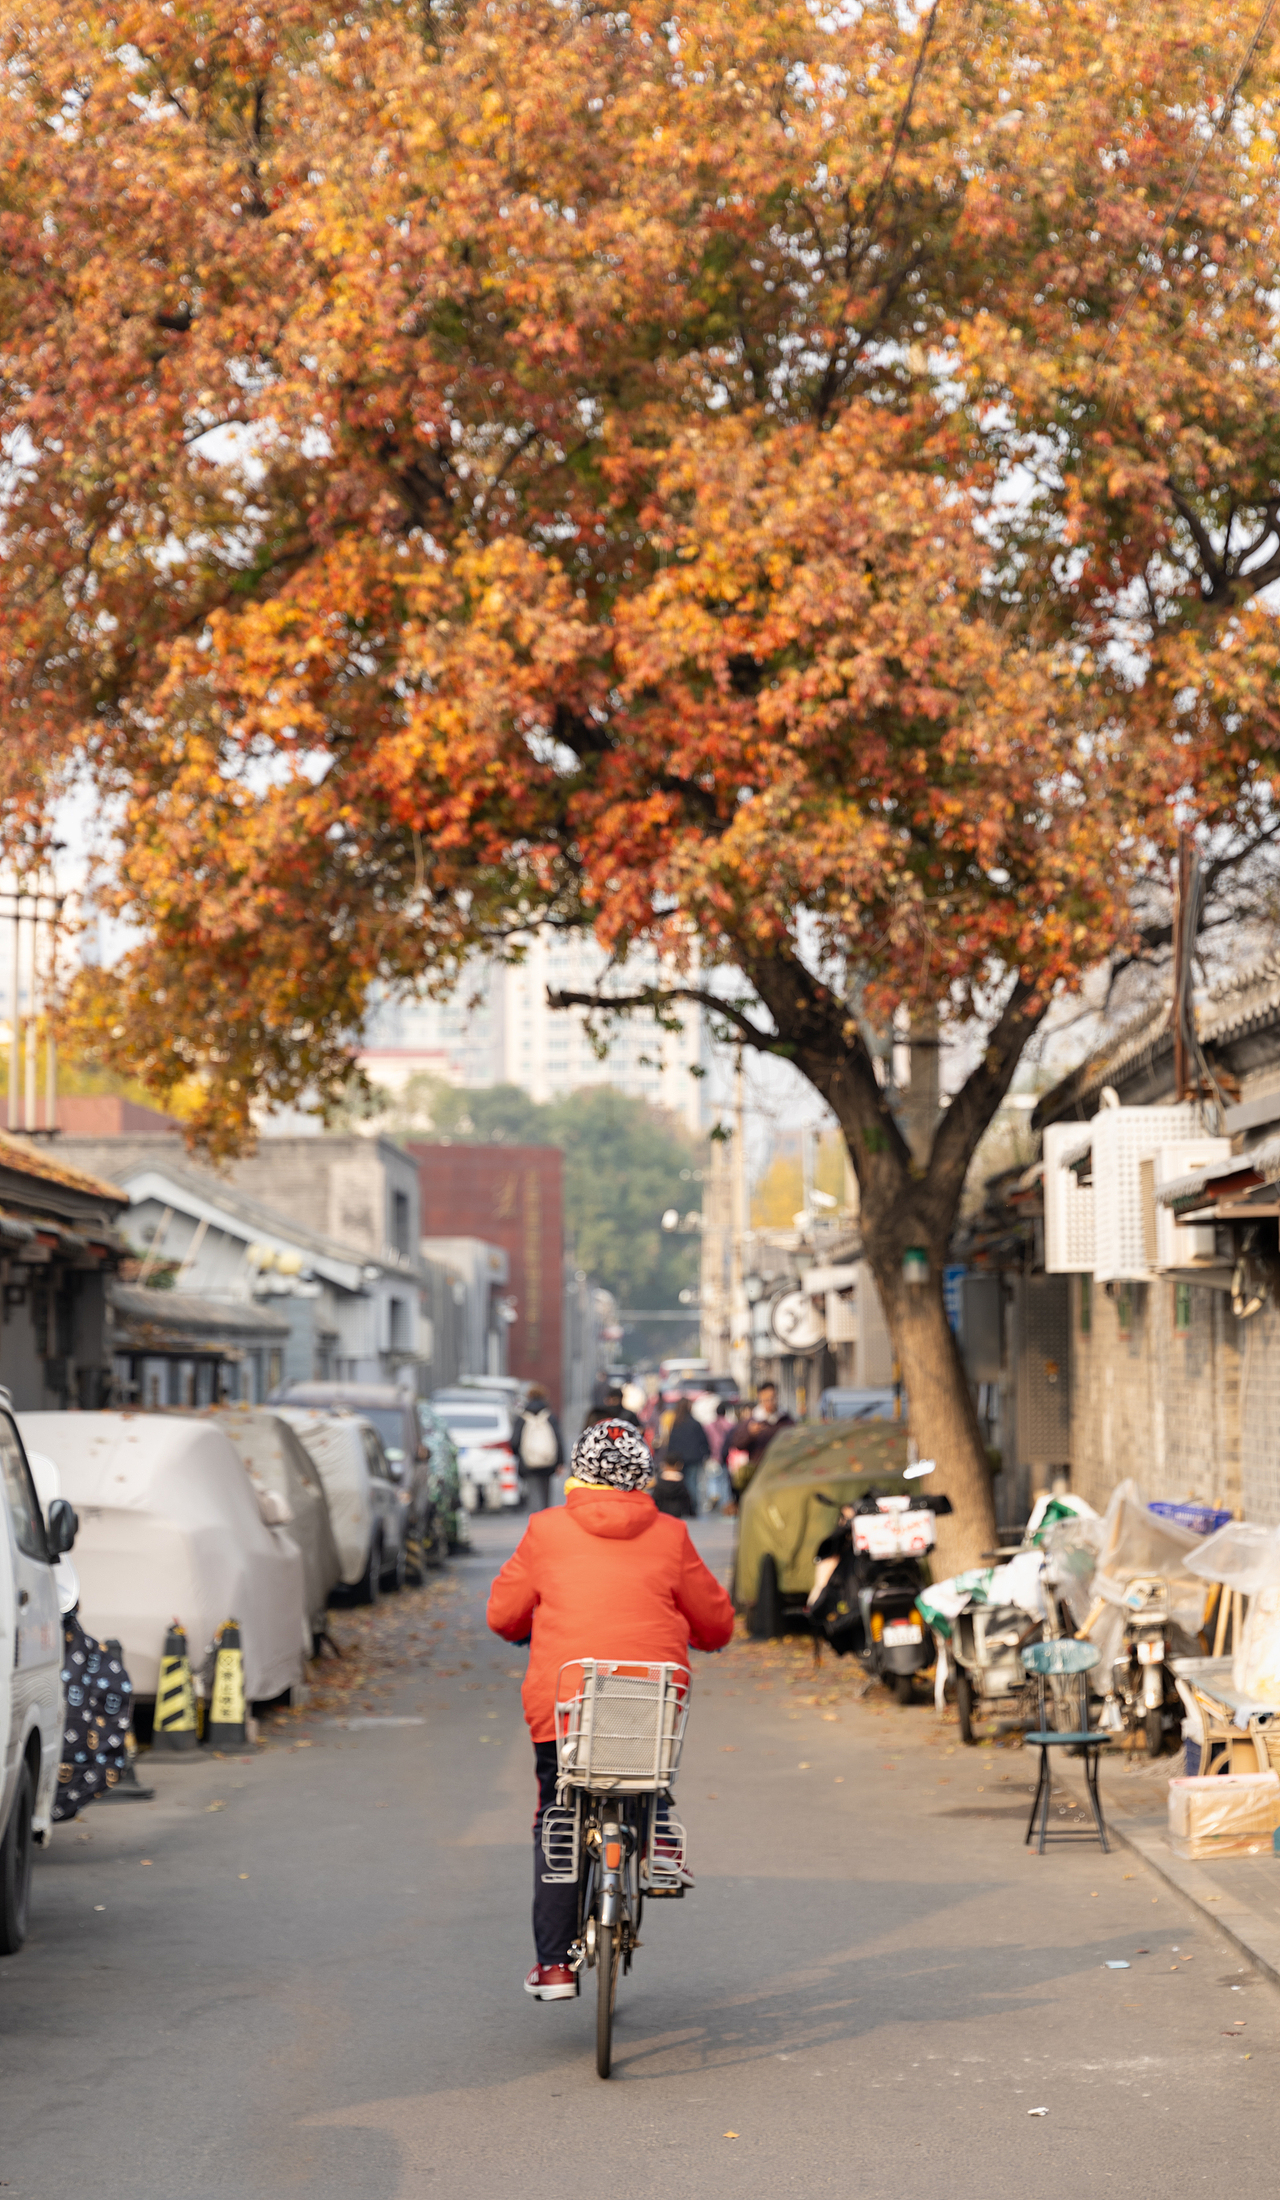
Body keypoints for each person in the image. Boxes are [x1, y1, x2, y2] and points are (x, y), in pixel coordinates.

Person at [486, 1417, 734, 2002]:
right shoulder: (670, 1534)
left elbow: (503, 1616)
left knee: (559, 1814)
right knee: (644, 1763)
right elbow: (715, 1621)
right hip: (648, 1704)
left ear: (578, 1471)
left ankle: (554, 1967)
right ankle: (657, 1830)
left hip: (565, 1706)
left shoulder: (545, 1530)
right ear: (641, 1475)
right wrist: (706, 1637)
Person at [724, 1381, 795, 1499]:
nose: (769, 1403)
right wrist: (750, 1433)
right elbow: (737, 1444)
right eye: (765, 1399)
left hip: (781, 1470)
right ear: (760, 1399)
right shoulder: (753, 1421)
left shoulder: (786, 1420)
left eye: (772, 1398)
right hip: (758, 1472)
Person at [510, 1385, 565, 1511]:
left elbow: (515, 1441)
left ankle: (536, 1518)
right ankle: (545, 1519)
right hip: (548, 1462)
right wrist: (560, 1462)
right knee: (545, 1493)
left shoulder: (522, 1418)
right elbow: (558, 1440)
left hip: (528, 1462)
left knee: (533, 1493)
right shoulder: (550, 1416)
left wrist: (519, 1455)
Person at [664, 1396, 711, 1513]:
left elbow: (672, 1442)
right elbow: (704, 1441)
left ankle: (682, 1507)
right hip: (695, 1457)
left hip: (679, 1459)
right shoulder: (695, 1423)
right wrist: (705, 1454)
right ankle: (692, 1507)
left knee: (681, 1483)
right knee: (693, 1483)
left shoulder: (676, 1423)